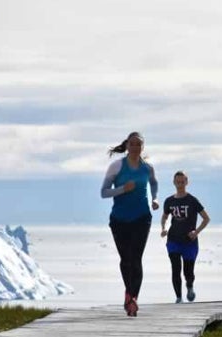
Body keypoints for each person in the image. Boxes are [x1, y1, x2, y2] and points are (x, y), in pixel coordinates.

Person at [100, 131, 159, 317]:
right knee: (126, 259)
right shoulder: (116, 167)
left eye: (138, 144)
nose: (135, 147)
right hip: (119, 220)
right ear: (127, 146)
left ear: (143, 147)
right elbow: (103, 192)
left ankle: (132, 298)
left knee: (137, 258)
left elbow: (154, 183)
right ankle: (129, 293)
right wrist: (123, 189)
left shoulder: (147, 168)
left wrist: (155, 199)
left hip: (142, 218)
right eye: (132, 144)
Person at [160, 170, 210, 303]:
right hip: (173, 240)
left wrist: (196, 232)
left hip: (189, 242)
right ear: (174, 182)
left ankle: (190, 286)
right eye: (178, 182)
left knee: (188, 272)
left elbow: (206, 218)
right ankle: (178, 297)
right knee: (175, 269)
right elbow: (164, 217)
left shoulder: (192, 200)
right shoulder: (169, 201)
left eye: (182, 182)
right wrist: (163, 228)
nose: (180, 184)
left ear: (186, 182)